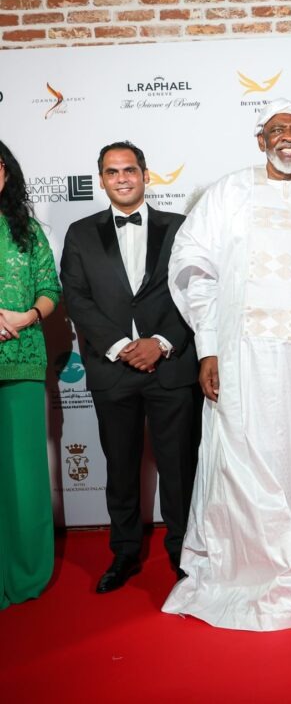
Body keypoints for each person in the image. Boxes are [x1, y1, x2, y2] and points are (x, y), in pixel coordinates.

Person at [162, 99, 291, 630]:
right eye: (278, 129)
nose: (288, 137)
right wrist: (209, 345)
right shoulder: (229, 191)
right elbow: (193, 268)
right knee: (243, 456)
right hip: (244, 359)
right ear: (261, 140)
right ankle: (242, 567)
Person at [60, 141, 201, 593]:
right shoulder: (81, 233)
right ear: (101, 180)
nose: (122, 178)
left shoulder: (180, 227)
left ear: (145, 175)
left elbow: (195, 291)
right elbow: (76, 298)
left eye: (129, 170)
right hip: (113, 370)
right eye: (112, 171)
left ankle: (185, 551)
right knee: (120, 466)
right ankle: (124, 552)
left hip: (170, 366)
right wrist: (122, 346)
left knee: (179, 467)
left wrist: (161, 343)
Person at [0, 141, 61, 609]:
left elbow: (49, 288)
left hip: (21, 357)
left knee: (23, 473)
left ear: (7, 173)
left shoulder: (27, 229)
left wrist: (27, 316)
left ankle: (25, 570)